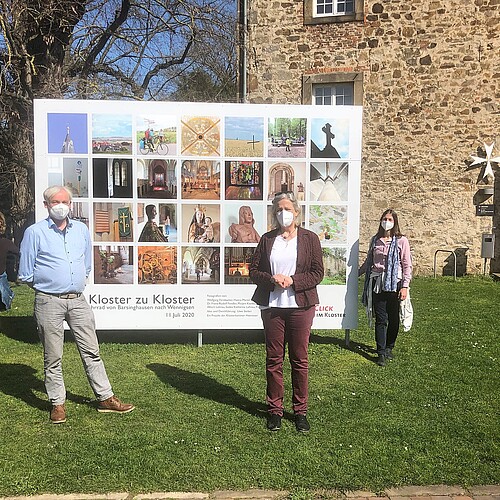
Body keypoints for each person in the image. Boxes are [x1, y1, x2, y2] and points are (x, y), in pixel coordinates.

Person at [18, 186, 135, 424]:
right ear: (46, 205)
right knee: (53, 356)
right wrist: (48, 287)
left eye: (65, 201)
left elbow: (88, 263)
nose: (61, 205)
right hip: (48, 300)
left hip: (78, 300)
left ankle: (105, 398)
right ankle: (57, 403)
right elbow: (25, 273)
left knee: (92, 351)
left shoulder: (81, 230)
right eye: (55, 201)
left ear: (70, 204)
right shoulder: (34, 232)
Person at [249, 192, 323, 433]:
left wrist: (293, 280)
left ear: (297, 211)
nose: (283, 213)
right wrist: (272, 278)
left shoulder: (310, 239)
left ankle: (300, 411)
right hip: (273, 307)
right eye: (279, 209)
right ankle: (275, 410)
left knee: (299, 360)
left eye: (287, 208)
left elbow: (317, 273)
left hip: (300, 306)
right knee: (274, 359)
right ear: (274, 213)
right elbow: (253, 271)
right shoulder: (268, 239)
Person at [360, 209, 412, 367]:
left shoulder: (401, 241)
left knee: (393, 318)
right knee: (381, 319)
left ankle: (390, 346)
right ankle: (381, 351)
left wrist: (405, 286)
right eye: (384, 218)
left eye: (390, 219)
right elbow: (369, 261)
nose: (386, 222)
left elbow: (406, 265)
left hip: (394, 283)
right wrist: (355, 274)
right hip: (377, 283)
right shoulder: (375, 240)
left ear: (395, 222)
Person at [0, 212, 19, 311]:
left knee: (4, 302)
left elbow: (18, 253)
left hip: (0, 275)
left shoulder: (5, 243)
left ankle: (9, 294)